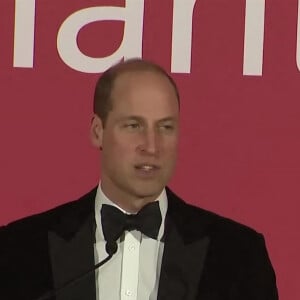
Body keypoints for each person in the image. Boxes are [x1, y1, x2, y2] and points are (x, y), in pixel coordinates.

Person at [0, 59, 278, 300]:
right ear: (98, 131)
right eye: (133, 126)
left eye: (165, 127)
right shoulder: (19, 249)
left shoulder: (239, 254)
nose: (152, 146)